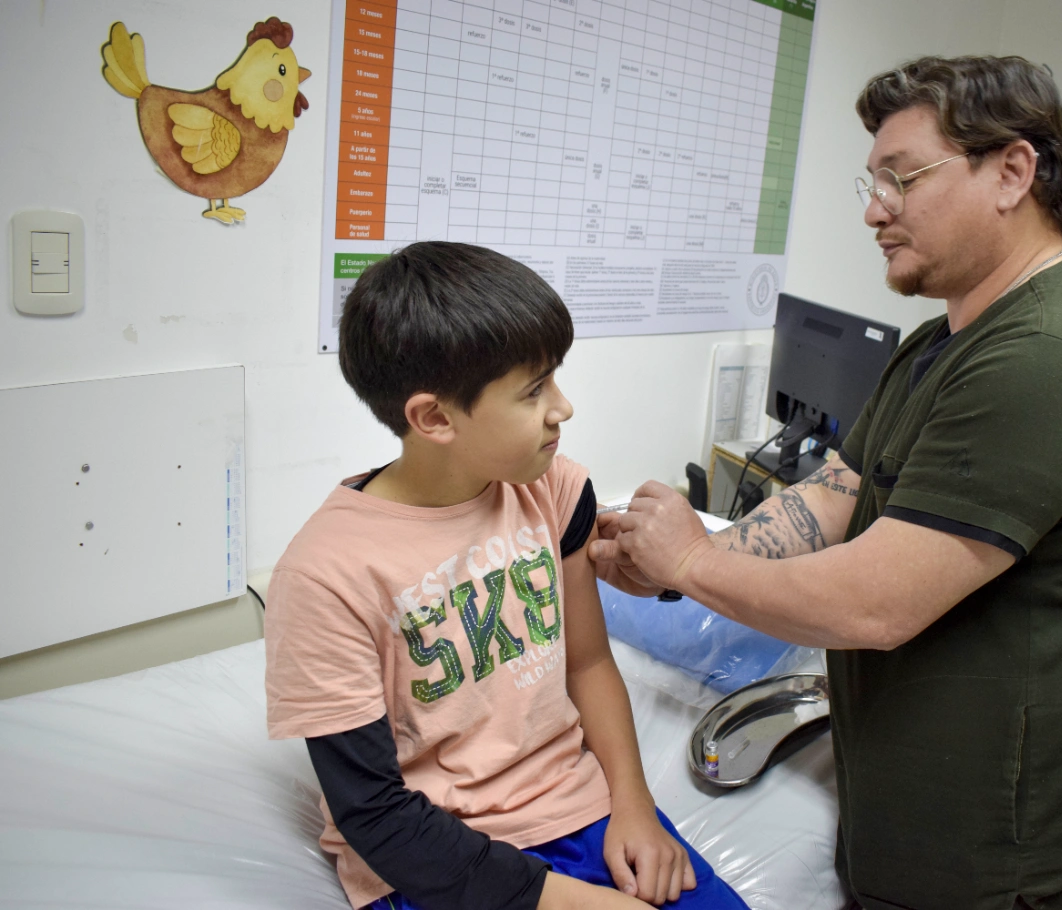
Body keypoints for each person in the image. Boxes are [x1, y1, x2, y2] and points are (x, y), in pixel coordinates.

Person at [592, 56, 1062, 910]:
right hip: (915, 801)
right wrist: (672, 565)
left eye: (902, 179)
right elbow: (838, 491)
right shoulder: (945, 338)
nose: (874, 210)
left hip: (1013, 846)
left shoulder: (1046, 359)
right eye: (872, 182)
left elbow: (876, 606)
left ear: (1012, 172)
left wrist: (691, 563)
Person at [264, 243, 748, 910]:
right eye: (533, 390)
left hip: (581, 810)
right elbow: (374, 813)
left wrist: (635, 805)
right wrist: (578, 903)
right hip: (437, 856)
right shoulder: (325, 578)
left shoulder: (553, 491)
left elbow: (587, 662)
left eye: (555, 379)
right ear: (434, 418)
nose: (563, 407)